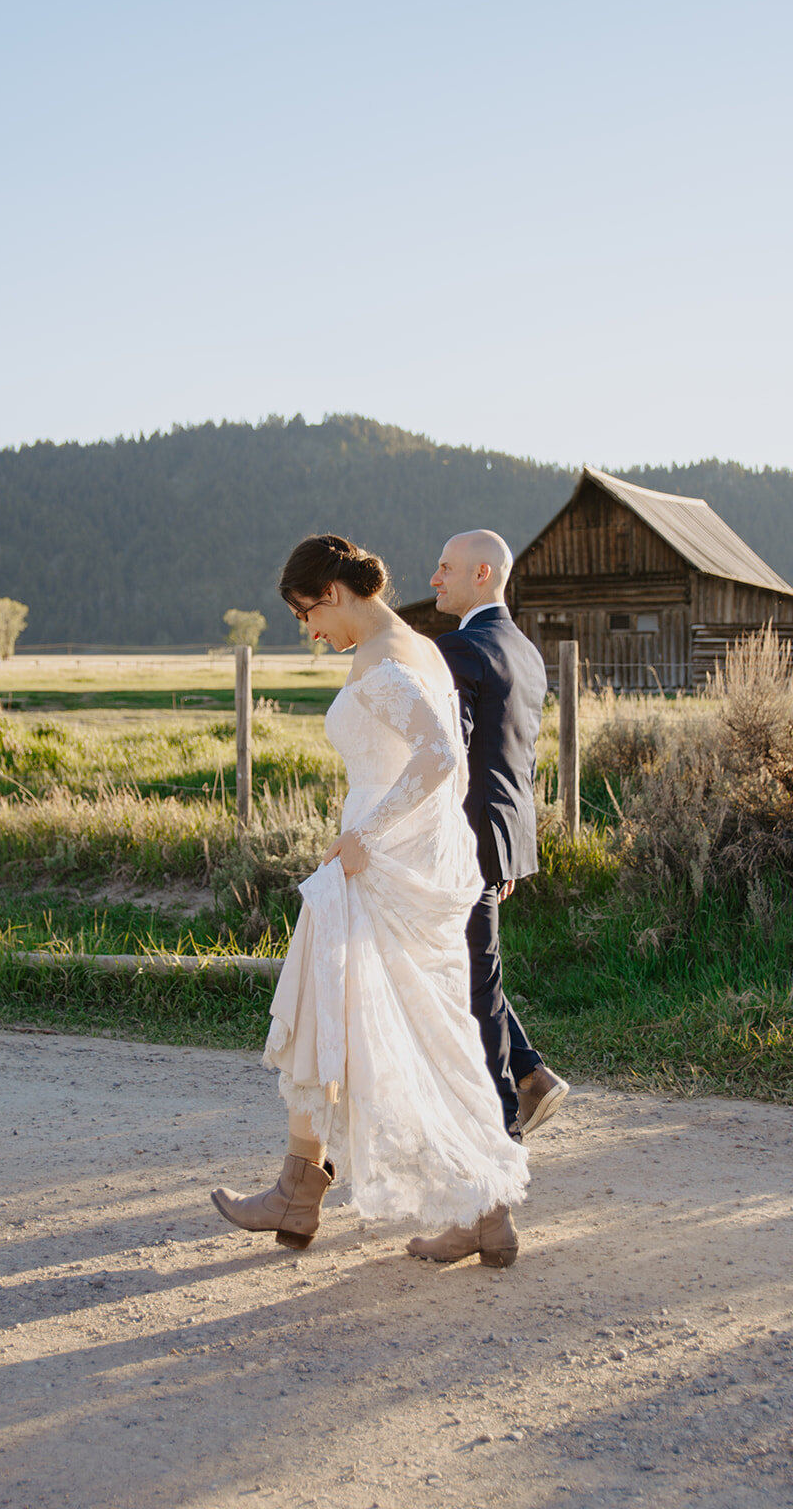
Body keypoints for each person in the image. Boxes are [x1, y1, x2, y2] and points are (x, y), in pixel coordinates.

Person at [211, 533, 529, 1267]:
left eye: (304, 613)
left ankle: (316, 1191)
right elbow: (443, 767)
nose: (308, 631)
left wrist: (372, 836)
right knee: (393, 1025)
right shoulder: (417, 644)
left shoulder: (381, 655)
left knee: (376, 1023)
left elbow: (440, 757)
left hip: (377, 861)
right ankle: (474, 1210)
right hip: (397, 857)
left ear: (332, 592)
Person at [431, 529, 569, 1139]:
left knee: (473, 980)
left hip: (458, 839)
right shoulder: (525, 650)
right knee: (466, 970)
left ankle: (497, 1127)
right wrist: (507, 850)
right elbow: (517, 760)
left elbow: (447, 758)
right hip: (498, 837)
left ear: (481, 574)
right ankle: (531, 1075)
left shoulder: (460, 648)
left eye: (445, 568)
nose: (434, 579)